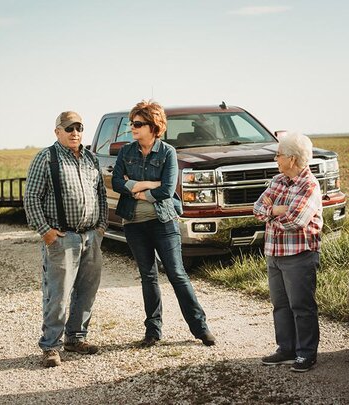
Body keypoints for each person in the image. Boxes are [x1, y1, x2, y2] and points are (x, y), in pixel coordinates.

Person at [111, 100, 215, 347]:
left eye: (138, 124)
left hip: (163, 221)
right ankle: (153, 332)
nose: (132, 128)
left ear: (153, 126)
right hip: (134, 223)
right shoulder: (126, 152)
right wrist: (149, 185)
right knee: (148, 277)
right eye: (132, 123)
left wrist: (137, 188)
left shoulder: (167, 152)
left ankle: (201, 329)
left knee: (177, 274)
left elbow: (167, 189)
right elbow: (116, 183)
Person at [24, 111, 107, 367]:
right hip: (62, 238)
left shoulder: (91, 158)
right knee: (57, 295)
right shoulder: (46, 158)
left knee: (86, 293)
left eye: (79, 127)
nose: (75, 133)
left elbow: (101, 195)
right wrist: (46, 232)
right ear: (57, 131)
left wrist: (101, 227)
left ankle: (76, 338)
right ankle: (50, 346)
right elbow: (31, 198)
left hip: (90, 237)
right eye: (69, 128)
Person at [253, 132, 323, 372]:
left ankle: (306, 353)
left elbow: (297, 220)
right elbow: (258, 208)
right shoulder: (277, 181)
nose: (276, 159)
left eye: (279, 155)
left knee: (301, 306)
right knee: (280, 305)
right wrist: (276, 211)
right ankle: (286, 349)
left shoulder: (309, 185)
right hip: (274, 253)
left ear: (292, 159)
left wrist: (274, 213)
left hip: (299, 255)